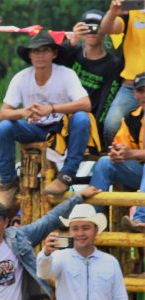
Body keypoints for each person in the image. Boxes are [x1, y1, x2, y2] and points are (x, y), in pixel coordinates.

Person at [0, 31, 92, 205]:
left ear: (54, 54)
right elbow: (3, 113)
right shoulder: (21, 78)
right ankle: (8, 183)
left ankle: (66, 176)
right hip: (33, 128)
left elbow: (86, 104)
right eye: (35, 51)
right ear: (30, 55)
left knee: (82, 118)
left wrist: (52, 109)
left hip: (62, 130)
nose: (40, 55)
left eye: (45, 50)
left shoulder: (66, 74)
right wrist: (23, 112)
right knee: (4, 128)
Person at [82, 72, 145, 230]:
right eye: (140, 91)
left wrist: (133, 154)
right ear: (134, 94)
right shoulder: (131, 118)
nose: (144, 95)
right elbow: (119, 145)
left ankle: (140, 219)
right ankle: (89, 221)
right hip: (140, 175)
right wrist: (117, 154)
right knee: (105, 162)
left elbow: (132, 154)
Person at [62, 9, 123, 145]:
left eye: (97, 27)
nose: (92, 31)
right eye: (87, 27)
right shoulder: (73, 52)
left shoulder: (113, 64)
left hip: (88, 122)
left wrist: (95, 134)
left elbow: (106, 103)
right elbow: (53, 63)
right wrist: (72, 42)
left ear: (106, 30)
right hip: (62, 116)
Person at [99, 0, 145, 143]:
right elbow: (107, 28)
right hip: (132, 85)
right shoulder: (133, 6)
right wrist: (112, 13)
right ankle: (120, 162)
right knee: (112, 124)